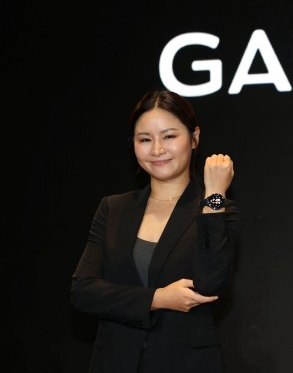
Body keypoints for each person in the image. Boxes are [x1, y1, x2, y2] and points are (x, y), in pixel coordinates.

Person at [70, 89, 239, 372]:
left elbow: (210, 283)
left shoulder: (219, 210)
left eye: (169, 136)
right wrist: (158, 299)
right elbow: (83, 292)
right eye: (145, 139)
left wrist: (214, 196)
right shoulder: (113, 208)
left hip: (187, 364)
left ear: (194, 138)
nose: (157, 149)